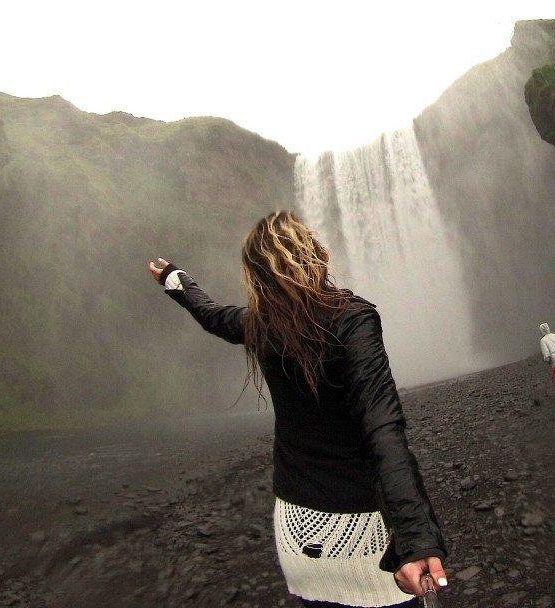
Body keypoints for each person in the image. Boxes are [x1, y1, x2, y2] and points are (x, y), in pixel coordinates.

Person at [148, 211, 447, 607]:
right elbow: (383, 427)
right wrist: (415, 536)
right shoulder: (352, 320)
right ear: (316, 253)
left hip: (296, 530)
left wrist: (177, 281)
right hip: (363, 532)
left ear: (256, 276)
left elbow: (212, 315)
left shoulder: (258, 324)